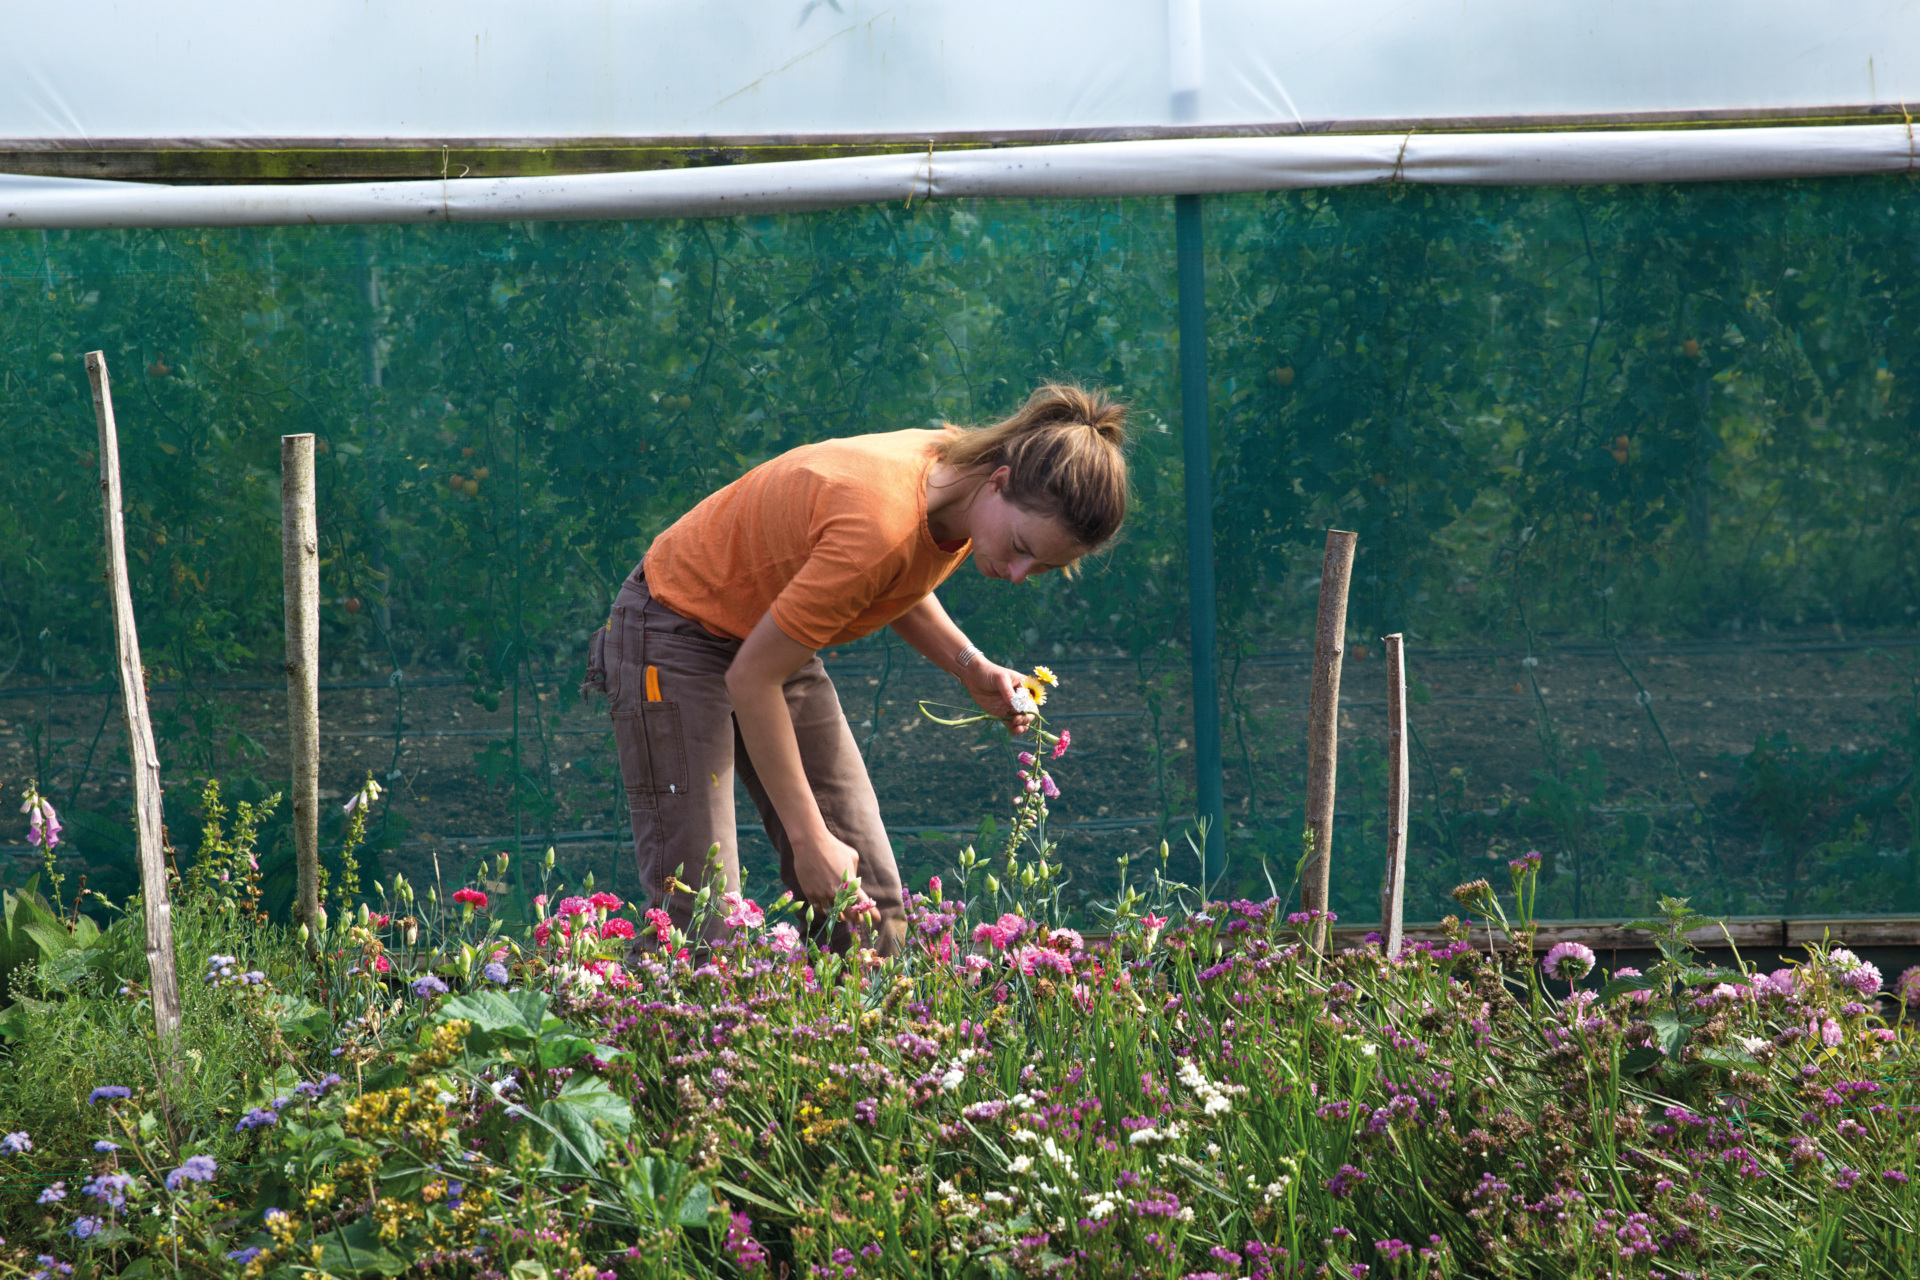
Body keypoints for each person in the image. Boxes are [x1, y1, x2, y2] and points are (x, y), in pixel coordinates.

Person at [588, 383, 1129, 956]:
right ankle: (667, 1037)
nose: (1019, 574)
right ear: (999, 482)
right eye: (1021, 547)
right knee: (702, 919)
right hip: (675, 631)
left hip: (772, 640)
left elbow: (895, 573)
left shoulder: (961, 477)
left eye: (1042, 566)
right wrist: (808, 838)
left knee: (870, 904)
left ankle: (852, 1042)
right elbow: (755, 676)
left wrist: (969, 664)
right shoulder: (882, 517)